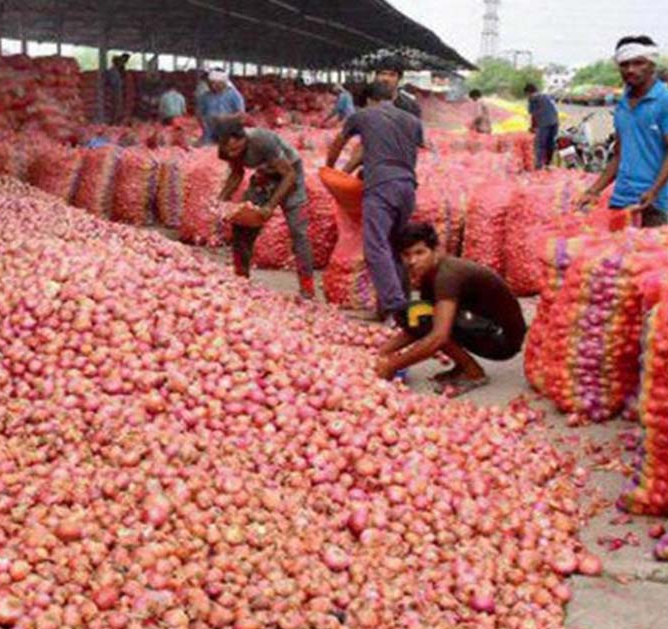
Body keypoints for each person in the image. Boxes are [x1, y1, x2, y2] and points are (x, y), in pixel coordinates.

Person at [375, 223, 527, 396]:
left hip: (503, 340)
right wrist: (383, 351)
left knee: (428, 320)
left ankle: (474, 373)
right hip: (482, 324)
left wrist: (393, 365)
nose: (412, 261)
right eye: (406, 255)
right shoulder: (429, 274)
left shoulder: (447, 275)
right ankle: (462, 366)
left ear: (436, 250)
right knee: (410, 313)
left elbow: (438, 336)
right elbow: (421, 324)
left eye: (419, 253)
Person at [325, 83, 424, 321]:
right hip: (407, 186)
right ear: (392, 96)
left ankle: (395, 308)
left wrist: (330, 168)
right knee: (394, 245)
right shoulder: (413, 121)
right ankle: (396, 308)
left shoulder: (363, 116)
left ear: (368, 99)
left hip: (381, 186)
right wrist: (348, 171)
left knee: (376, 247)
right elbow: (407, 151)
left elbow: (339, 142)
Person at [575, 35, 668, 228]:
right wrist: (594, 191)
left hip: (650, 203)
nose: (630, 69)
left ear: (652, 65)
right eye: (624, 64)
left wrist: (654, 191)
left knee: (647, 247)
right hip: (620, 198)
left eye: (638, 63)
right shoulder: (623, 104)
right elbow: (619, 154)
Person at [214, 116, 316, 299]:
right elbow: (237, 173)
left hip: (290, 174)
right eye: (229, 151)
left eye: (235, 149)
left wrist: (270, 206)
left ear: (243, 138)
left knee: (298, 231)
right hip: (265, 176)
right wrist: (221, 200)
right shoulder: (228, 149)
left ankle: (307, 287)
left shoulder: (262, 141)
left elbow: (289, 175)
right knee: (241, 224)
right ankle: (241, 278)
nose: (232, 154)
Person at [196, 70, 246, 145]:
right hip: (209, 134)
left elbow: (241, 115)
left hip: (229, 133)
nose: (213, 86)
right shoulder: (205, 97)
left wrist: (226, 118)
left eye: (216, 84)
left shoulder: (234, 95)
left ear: (223, 83)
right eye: (211, 83)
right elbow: (199, 113)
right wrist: (204, 124)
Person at [525, 83, 559, 169]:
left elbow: (533, 114)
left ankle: (538, 166)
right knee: (550, 143)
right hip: (555, 123)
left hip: (545, 123)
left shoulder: (533, 98)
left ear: (528, 92)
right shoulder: (547, 96)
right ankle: (548, 163)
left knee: (540, 144)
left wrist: (533, 127)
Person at [103, 53, 130, 124]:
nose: (122, 63)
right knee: (116, 105)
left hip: (118, 90)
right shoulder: (113, 71)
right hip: (115, 90)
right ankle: (114, 121)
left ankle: (117, 120)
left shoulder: (118, 70)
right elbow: (112, 82)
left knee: (119, 105)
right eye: (121, 62)